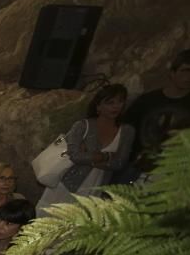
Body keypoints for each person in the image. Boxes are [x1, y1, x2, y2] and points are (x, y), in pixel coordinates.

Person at [36, 83, 135, 214]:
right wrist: (107, 156)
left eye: (120, 101)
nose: (116, 106)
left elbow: (120, 163)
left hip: (96, 188)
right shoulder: (83, 126)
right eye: (110, 102)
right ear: (98, 106)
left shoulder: (127, 131)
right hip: (67, 183)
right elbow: (74, 155)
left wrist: (89, 156)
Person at [124, 49, 190, 174]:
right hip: (135, 168)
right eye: (187, 70)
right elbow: (125, 132)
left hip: (173, 174)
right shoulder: (146, 101)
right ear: (173, 72)